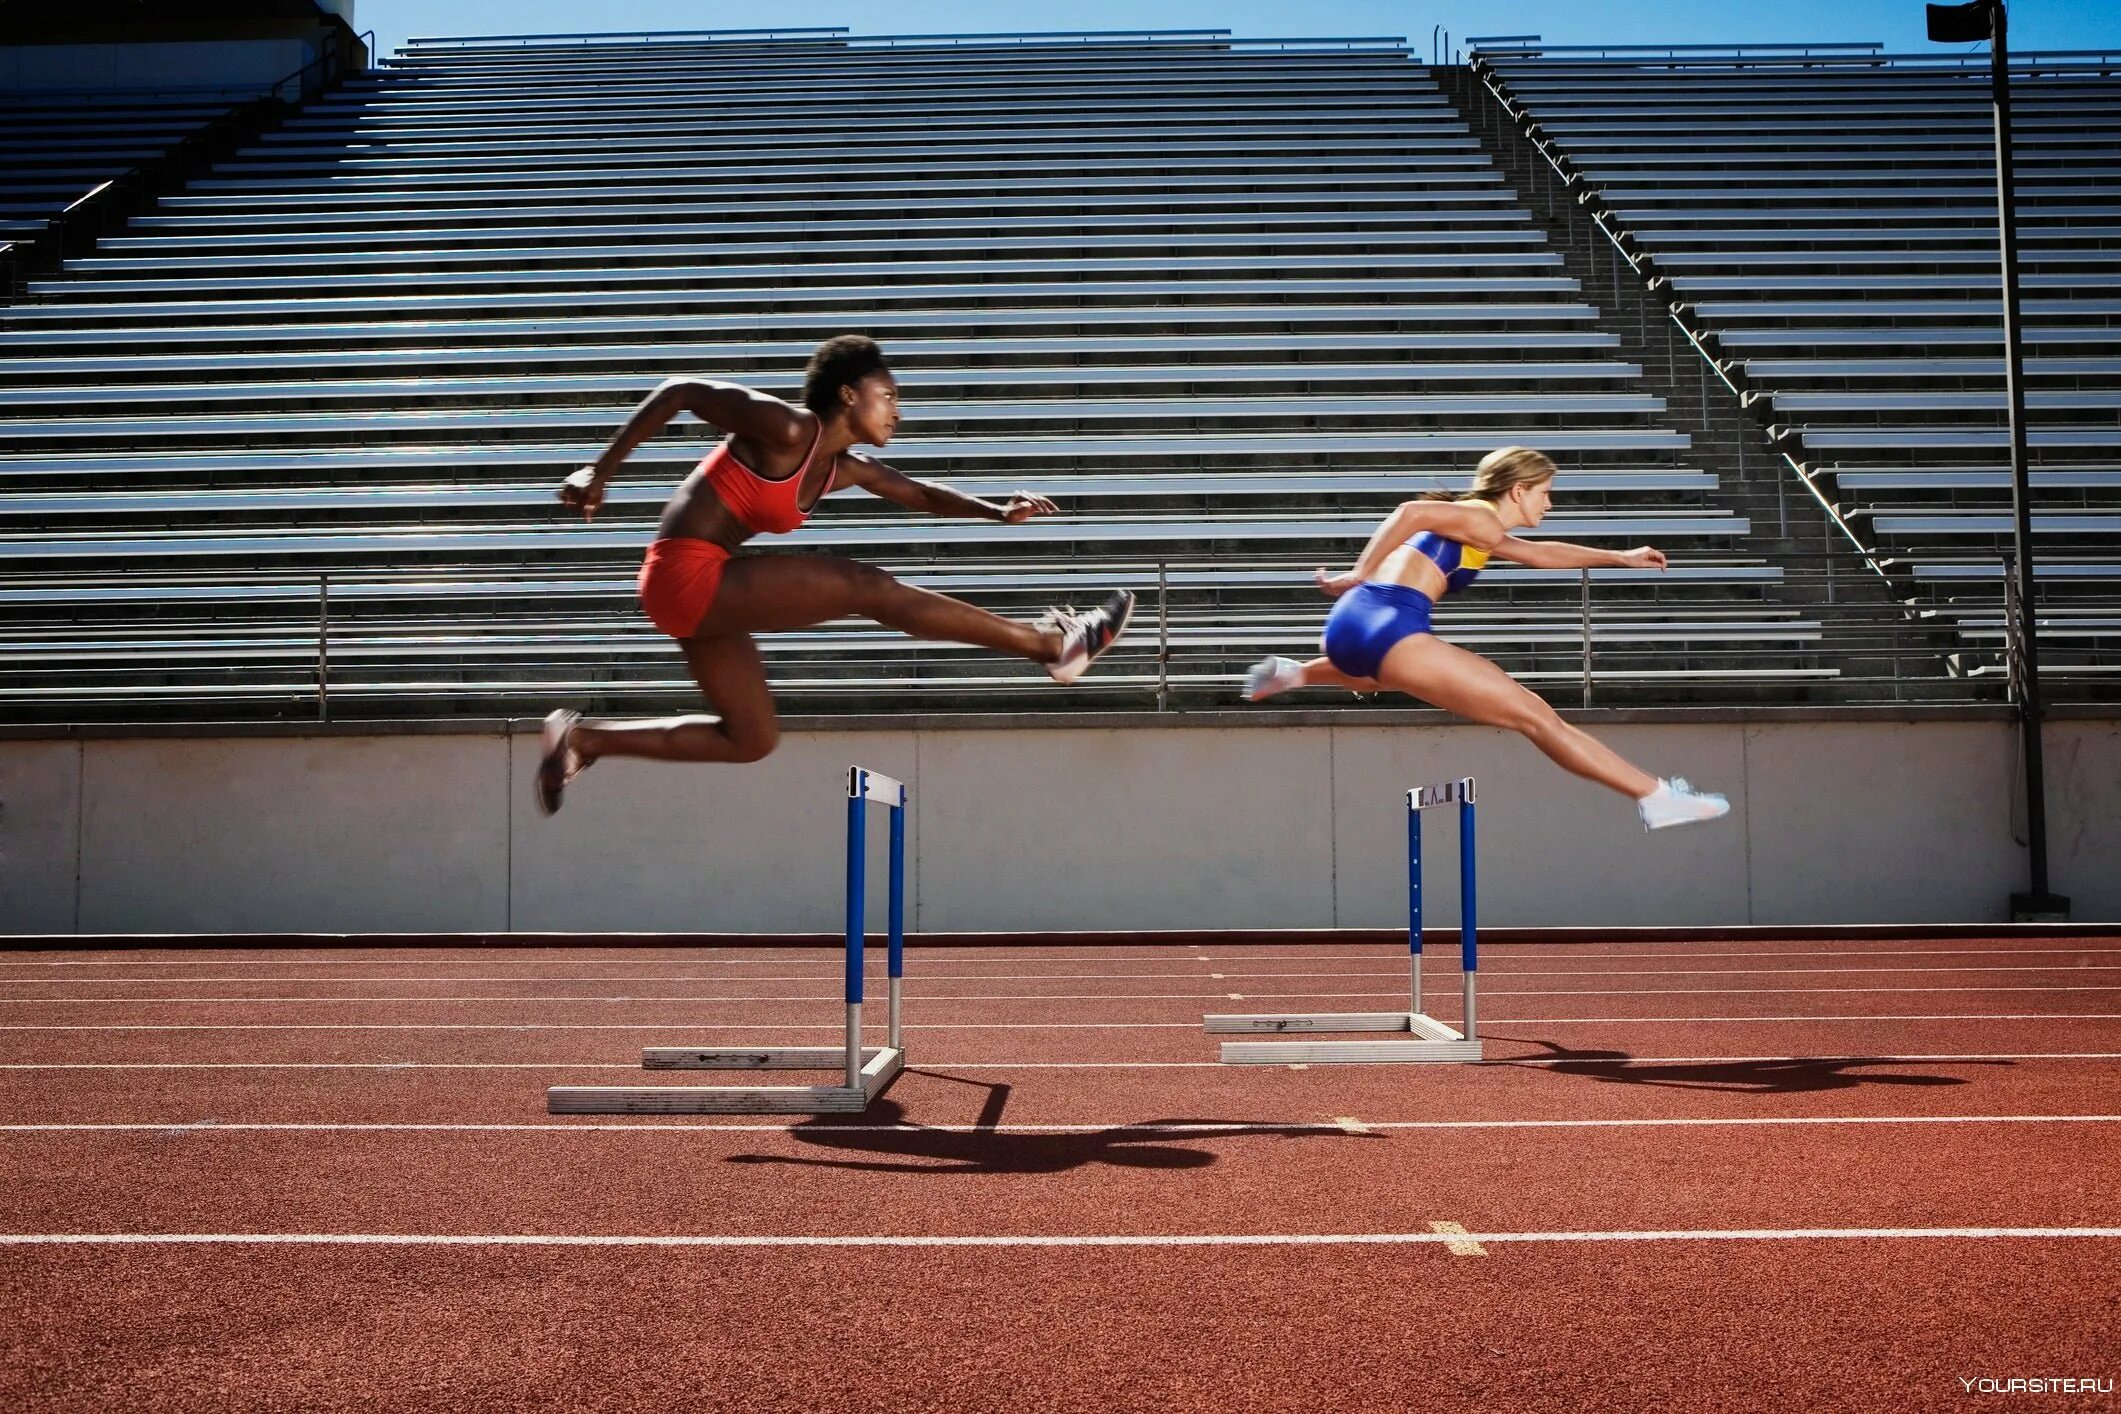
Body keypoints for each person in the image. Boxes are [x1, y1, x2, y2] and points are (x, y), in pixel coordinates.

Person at [535, 334, 1133, 814]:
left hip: (705, 592)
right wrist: (599, 470)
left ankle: (586, 741)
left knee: (751, 739)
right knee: (863, 586)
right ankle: (1050, 646)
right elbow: (682, 390)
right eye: (889, 395)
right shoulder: (789, 428)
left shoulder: (845, 468)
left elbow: (921, 496)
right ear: (848, 393)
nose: (899, 410)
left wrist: (1000, 511)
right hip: (683, 573)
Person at [1245, 445, 1730, 830]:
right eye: (1545, 492)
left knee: (1388, 677)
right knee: (1538, 717)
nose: (1550, 502)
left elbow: (1541, 555)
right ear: (1519, 490)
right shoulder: (1480, 517)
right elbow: (1410, 511)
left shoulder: (1484, 531)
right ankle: (1658, 798)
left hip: (1352, 627)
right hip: (1388, 619)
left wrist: (1620, 558)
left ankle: (1294, 672)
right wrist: (1358, 571)